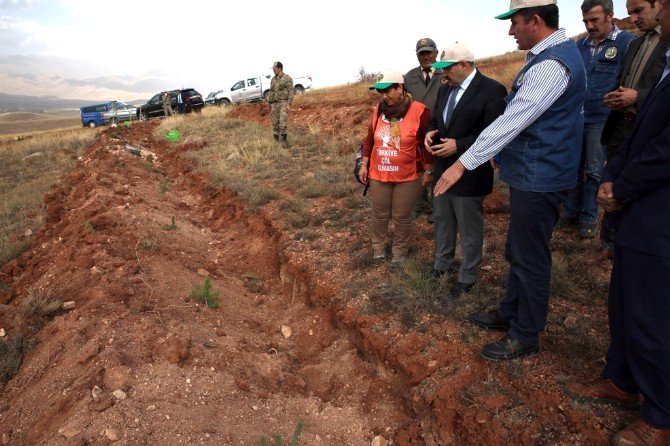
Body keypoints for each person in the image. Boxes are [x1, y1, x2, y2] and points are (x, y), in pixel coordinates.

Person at [434, 0, 586, 361]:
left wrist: (462, 164)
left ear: (535, 21)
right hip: (531, 173)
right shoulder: (544, 57)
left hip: (541, 176)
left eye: (515, 22)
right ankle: (510, 313)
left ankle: (525, 334)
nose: (510, 30)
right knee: (518, 251)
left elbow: (512, 120)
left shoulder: (552, 65)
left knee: (531, 258)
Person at [565, 2, 670, 442]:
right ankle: (622, 380)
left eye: (661, 5)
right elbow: (637, 130)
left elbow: (666, 148)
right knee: (624, 300)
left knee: (652, 313)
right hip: (635, 205)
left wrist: (620, 187)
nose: (659, 13)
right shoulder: (663, 61)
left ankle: (661, 416)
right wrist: (610, 176)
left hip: (659, 212)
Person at [424, 43, 507, 297]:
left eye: (447, 68)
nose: (443, 74)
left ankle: (468, 277)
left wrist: (459, 145)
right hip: (442, 169)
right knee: (442, 221)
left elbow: (494, 132)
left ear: (464, 65)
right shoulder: (444, 88)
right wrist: (430, 130)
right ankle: (442, 266)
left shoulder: (492, 90)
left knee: (469, 228)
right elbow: (438, 119)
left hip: (470, 172)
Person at [598, 0, 670, 256]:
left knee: (635, 187)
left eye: (638, 11)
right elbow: (623, 79)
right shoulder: (635, 43)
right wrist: (616, 96)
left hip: (651, 132)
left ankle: (629, 245)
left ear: (658, 6)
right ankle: (608, 243)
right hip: (623, 127)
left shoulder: (667, 41)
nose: (633, 18)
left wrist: (638, 96)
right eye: (630, 13)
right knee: (611, 182)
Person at [559, 0, 634, 239]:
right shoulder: (579, 46)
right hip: (576, 116)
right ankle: (570, 210)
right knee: (573, 166)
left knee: (593, 169)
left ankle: (588, 217)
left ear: (610, 16)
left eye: (595, 20)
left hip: (601, 119)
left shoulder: (626, 43)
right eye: (586, 21)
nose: (589, 26)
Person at [358, 70, 433, 262]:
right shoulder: (379, 110)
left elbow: (427, 144)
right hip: (379, 173)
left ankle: (399, 253)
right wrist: (364, 164)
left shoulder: (420, 111)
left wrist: (428, 169)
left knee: (401, 216)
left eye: (388, 91)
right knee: (379, 214)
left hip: (408, 175)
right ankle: (378, 249)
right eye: (381, 92)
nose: (384, 96)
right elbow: (369, 139)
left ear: (400, 88)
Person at [405, 38, 443, 221]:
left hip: (441, 127)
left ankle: (438, 206)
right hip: (417, 129)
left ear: (436, 52)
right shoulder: (409, 77)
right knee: (418, 165)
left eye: (429, 52)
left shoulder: (446, 71)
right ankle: (419, 203)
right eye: (422, 53)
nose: (426, 56)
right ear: (417, 56)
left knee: (439, 166)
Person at [267, 61, 294, 145]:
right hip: (274, 104)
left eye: (274, 69)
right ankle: (276, 141)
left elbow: (291, 92)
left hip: (283, 103)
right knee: (275, 123)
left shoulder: (287, 78)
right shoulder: (273, 79)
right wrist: (269, 103)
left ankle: (284, 142)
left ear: (279, 68)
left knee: (282, 123)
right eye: (273, 69)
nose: (273, 70)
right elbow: (271, 91)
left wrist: (289, 104)